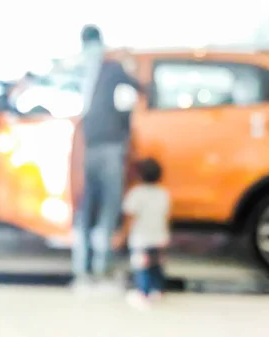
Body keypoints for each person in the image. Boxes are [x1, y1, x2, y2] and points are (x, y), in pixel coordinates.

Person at [71, 24, 143, 293]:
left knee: (84, 208)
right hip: (111, 146)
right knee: (108, 209)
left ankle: (82, 269)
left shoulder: (76, 70)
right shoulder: (112, 67)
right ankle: (102, 267)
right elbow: (138, 91)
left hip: (81, 149)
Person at [115, 158, 170, 309]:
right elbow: (165, 216)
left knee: (142, 266)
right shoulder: (163, 194)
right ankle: (157, 291)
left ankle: (143, 293)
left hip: (141, 239)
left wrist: (122, 235)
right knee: (156, 266)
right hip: (159, 237)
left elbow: (130, 218)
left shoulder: (136, 194)